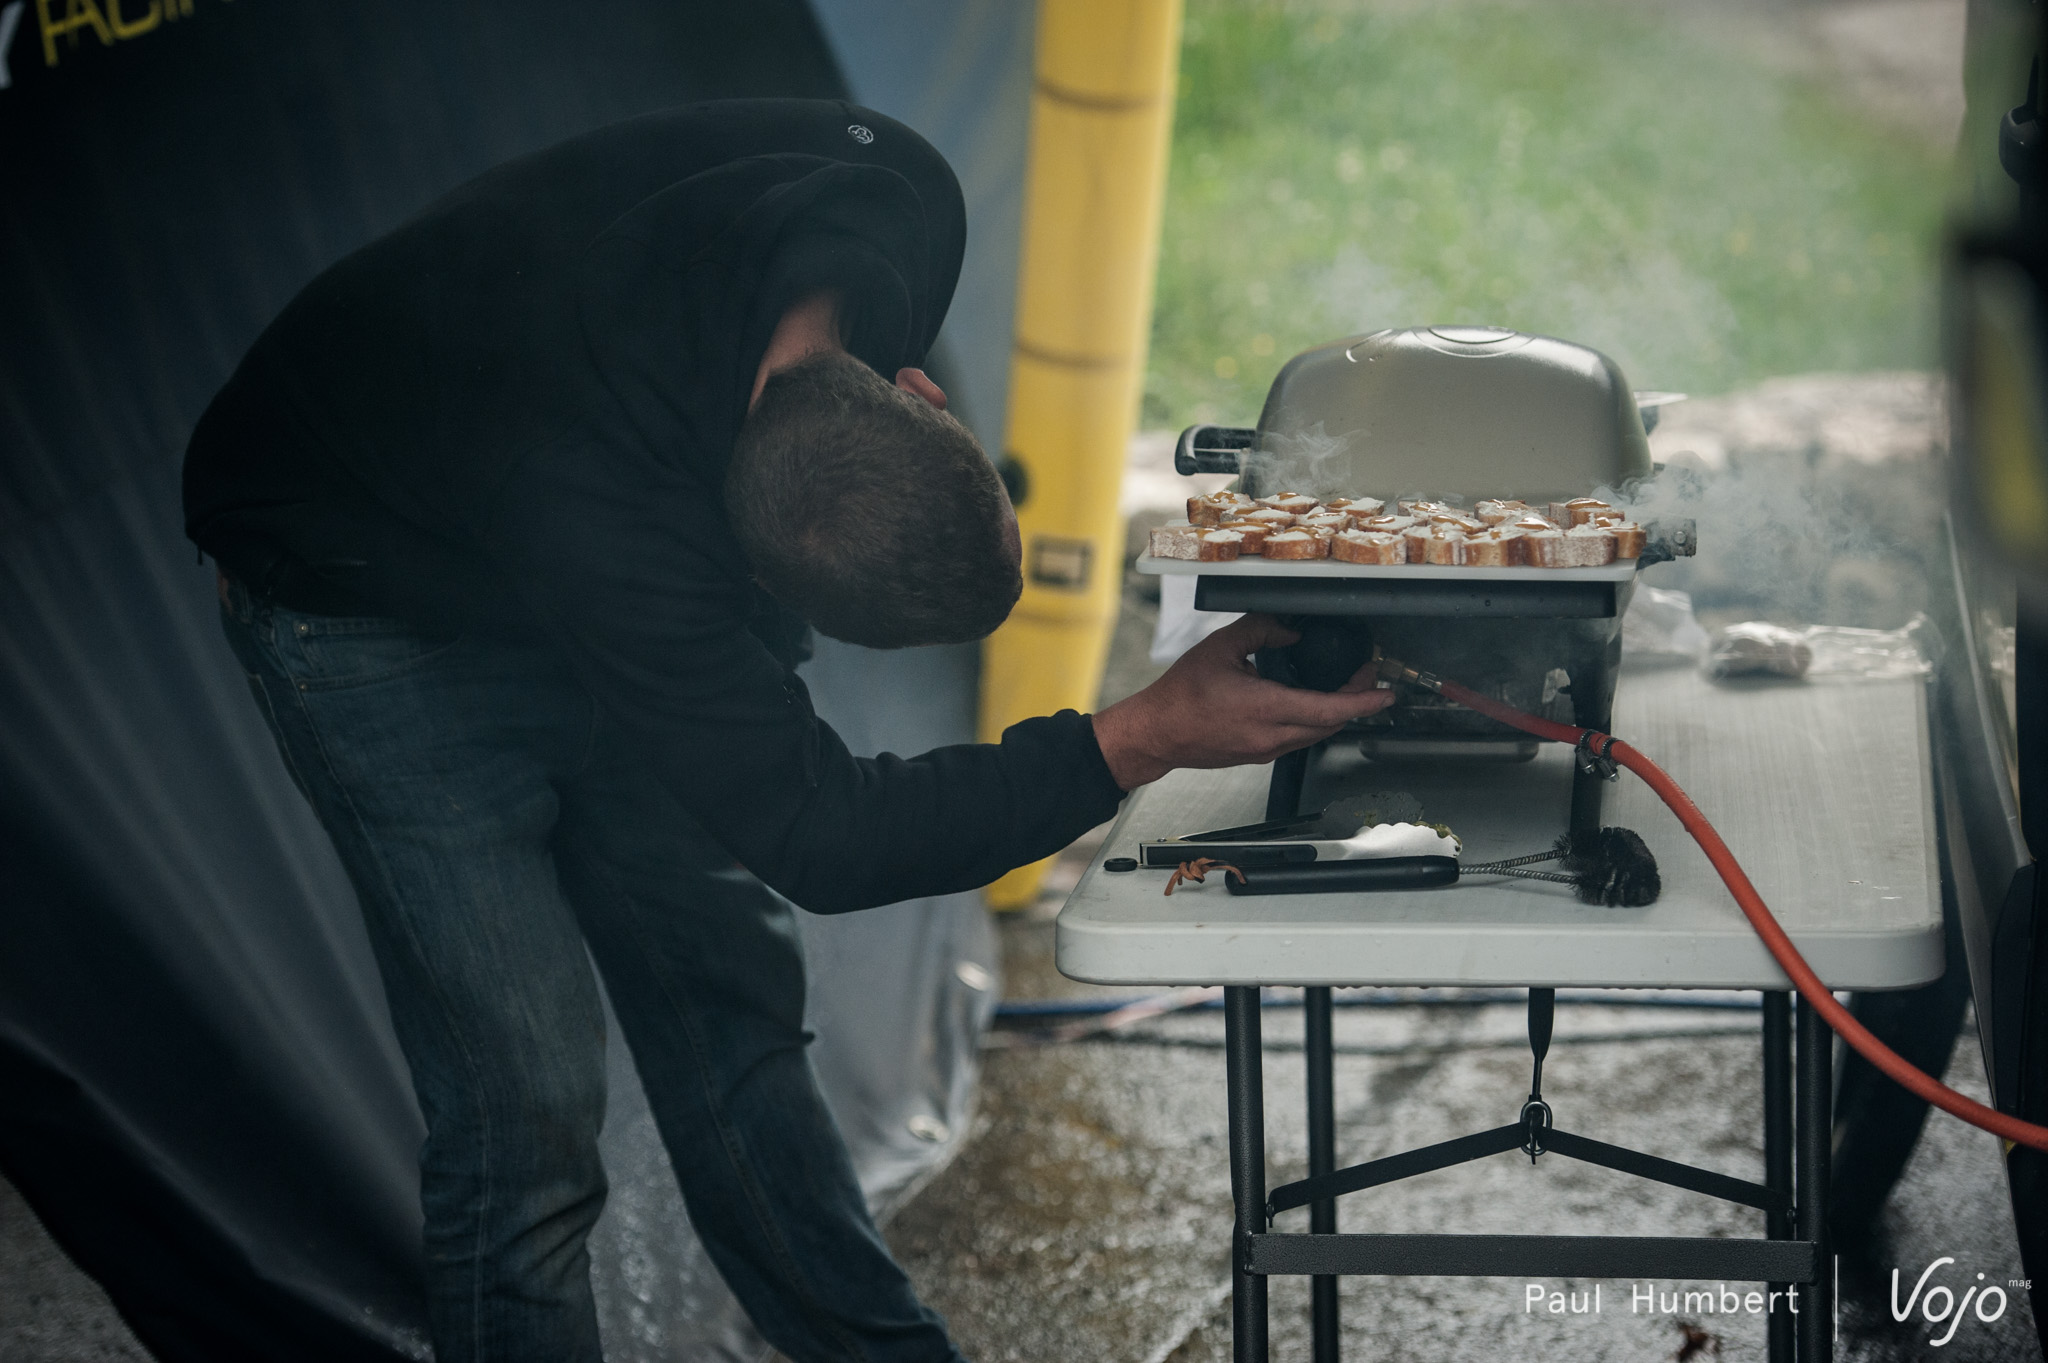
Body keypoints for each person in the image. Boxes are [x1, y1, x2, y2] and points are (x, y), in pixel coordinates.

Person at [183, 98, 1391, 1363]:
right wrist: (1137, 737)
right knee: (524, 1106)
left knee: (729, 1005)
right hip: (362, 598)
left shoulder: (899, 204)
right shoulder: (601, 522)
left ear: (914, 389)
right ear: (725, 546)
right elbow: (822, 833)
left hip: (563, 467)